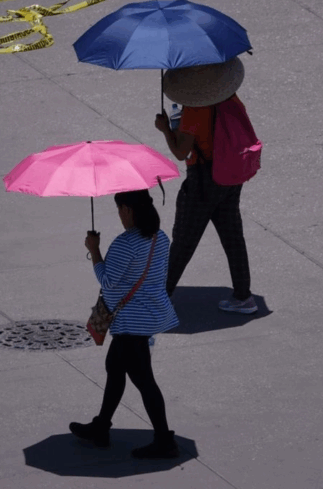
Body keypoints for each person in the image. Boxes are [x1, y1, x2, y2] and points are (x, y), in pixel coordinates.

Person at [70, 189, 180, 459]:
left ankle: (164, 440)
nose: (118, 214)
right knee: (115, 367)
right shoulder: (160, 238)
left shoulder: (124, 244)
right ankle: (100, 427)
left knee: (143, 380)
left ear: (128, 210)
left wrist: (94, 250)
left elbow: (107, 280)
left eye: (119, 209)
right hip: (149, 314)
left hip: (131, 321)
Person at [154, 57, 257, 314]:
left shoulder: (194, 111)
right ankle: (244, 297)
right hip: (230, 176)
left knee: (184, 241)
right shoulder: (230, 98)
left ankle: (159, 299)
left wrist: (166, 129)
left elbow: (181, 152)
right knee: (233, 237)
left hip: (204, 180)